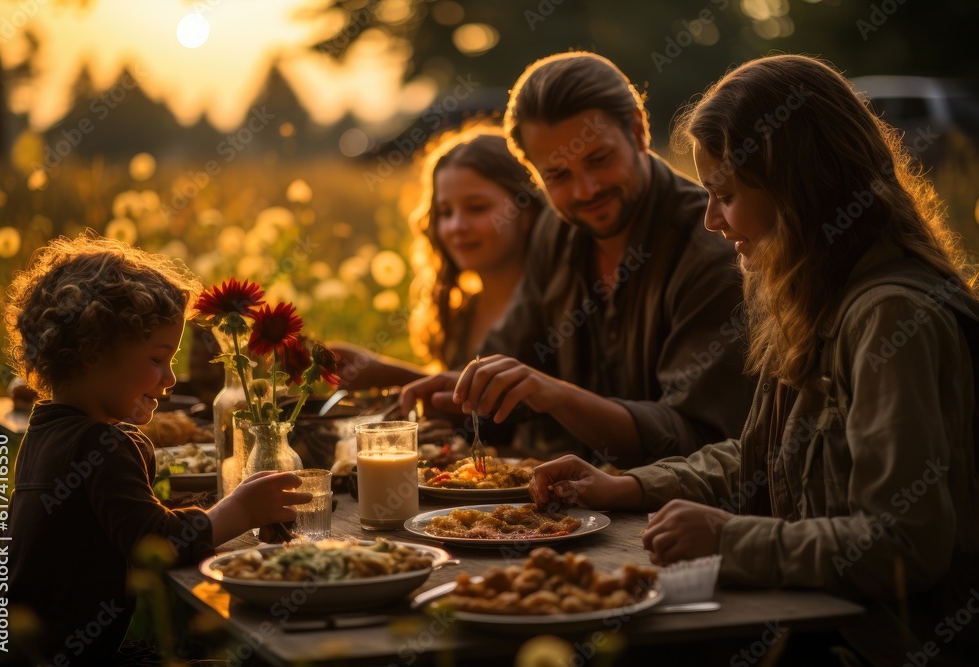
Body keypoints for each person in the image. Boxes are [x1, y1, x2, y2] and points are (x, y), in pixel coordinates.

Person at [529, 55, 979, 664]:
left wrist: (727, 537)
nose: (713, 219)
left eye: (726, 195)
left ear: (800, 185)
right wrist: (628, 486)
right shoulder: (811, 294)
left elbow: (902, 543)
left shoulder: (889, 316)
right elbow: (762, 458)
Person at [401, 52, 754, 467]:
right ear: (532, 172)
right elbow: (512, 364)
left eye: (598, 160)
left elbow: (699, 441)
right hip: (567, 508)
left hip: (672, 519)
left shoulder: (714, 251)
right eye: (558, 175)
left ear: (638, 130)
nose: (585, 190)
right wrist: (458, 391)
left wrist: (553, 393)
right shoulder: (557, 230)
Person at [0, 233, 310, 666]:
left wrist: (220, 513)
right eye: (157, 359)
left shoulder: (46, 428)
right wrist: (241, 512)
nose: (170, 379)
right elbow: (155, 543)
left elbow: (128, 518)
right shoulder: (98, 444)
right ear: (92, 353)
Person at [333, 125, 544, 389]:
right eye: (445, 212)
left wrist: (391, 376)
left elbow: (512, 412)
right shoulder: (462, 312)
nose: (457, 226)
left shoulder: (548, 308)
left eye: (477, 208)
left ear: (526, 212)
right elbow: (459, 408)